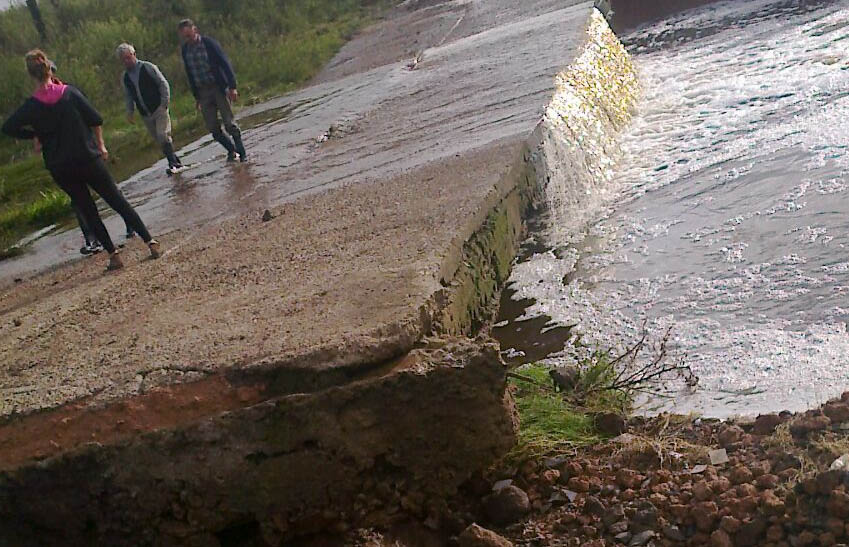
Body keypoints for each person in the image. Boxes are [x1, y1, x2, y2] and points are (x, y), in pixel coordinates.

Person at [2, 49, 160, 271]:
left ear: (31, 74)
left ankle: (114, 255)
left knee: (88, 209)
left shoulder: (30, 106)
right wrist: (100, 144)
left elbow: (8, 128)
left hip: (60, 165)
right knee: (116, 199)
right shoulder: (69, 93)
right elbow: (96, 118)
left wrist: (34, 135)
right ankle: (150, 242)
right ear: (49, 68)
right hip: (87, 156)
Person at [177, 18, 247, 162]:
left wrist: (232, 87)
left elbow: (225, 63)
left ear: (195, 30)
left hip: (218, 87)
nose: (188, 39)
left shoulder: (209, 44)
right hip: (203, 91)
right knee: (213, 129)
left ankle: (242, 153)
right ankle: (231, 150)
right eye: (185, 37)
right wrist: (197, 97)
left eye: (189, 35)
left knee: (229, 123)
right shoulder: (185, 50)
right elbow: (190, 73)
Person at [117, 43, 185, 175]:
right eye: (123, 59)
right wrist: (130, 112)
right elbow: (128, 96)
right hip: (145, 113)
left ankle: (173, 164)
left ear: (134, 55)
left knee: (163, 135)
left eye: (128, 57)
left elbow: (162, 83)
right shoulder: (125, 77)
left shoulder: (147, 67)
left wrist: (165, 103)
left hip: (159, 107)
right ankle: (176, 161)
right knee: (159, 140)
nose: (127, 61)